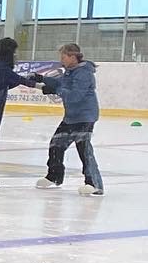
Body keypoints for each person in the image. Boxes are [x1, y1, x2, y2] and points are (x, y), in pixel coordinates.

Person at [34, 43, 104, 196]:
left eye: (63, 56)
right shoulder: (70, 71)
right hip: (72, 117)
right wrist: (42, 79)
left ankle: (94, 184)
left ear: (73, 56)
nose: (61, 59)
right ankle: (54, 176)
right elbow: (61, 83)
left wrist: (56, 90)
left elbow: (74, 96)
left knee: (84, 149)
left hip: (85, 116)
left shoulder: (84, 73)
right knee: (56, 144)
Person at [0, 37, 37, 191]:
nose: (15, 56)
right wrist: (38, 84)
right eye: (14, 52)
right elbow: (14, 79)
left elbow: (10, 81)